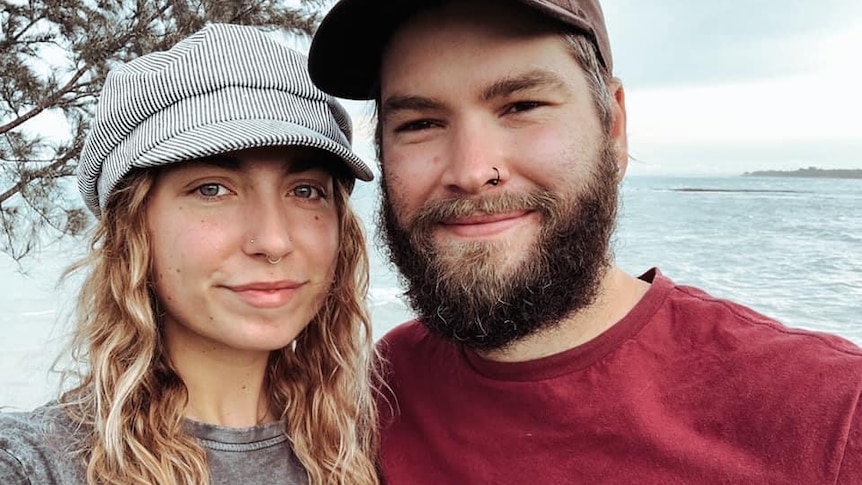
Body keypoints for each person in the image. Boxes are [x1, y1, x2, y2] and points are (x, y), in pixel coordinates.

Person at [306, 0, 862, 483]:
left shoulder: (832, 413)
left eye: (522, 106)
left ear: (613, 127)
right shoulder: (381, 391)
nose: (472, 170)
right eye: (421, 123)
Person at [0, 24, 380, 485]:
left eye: (305, 190)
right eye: (212, 189)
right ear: (134, 228)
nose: (275, 240)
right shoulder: (36, 463)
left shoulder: (373, 445)